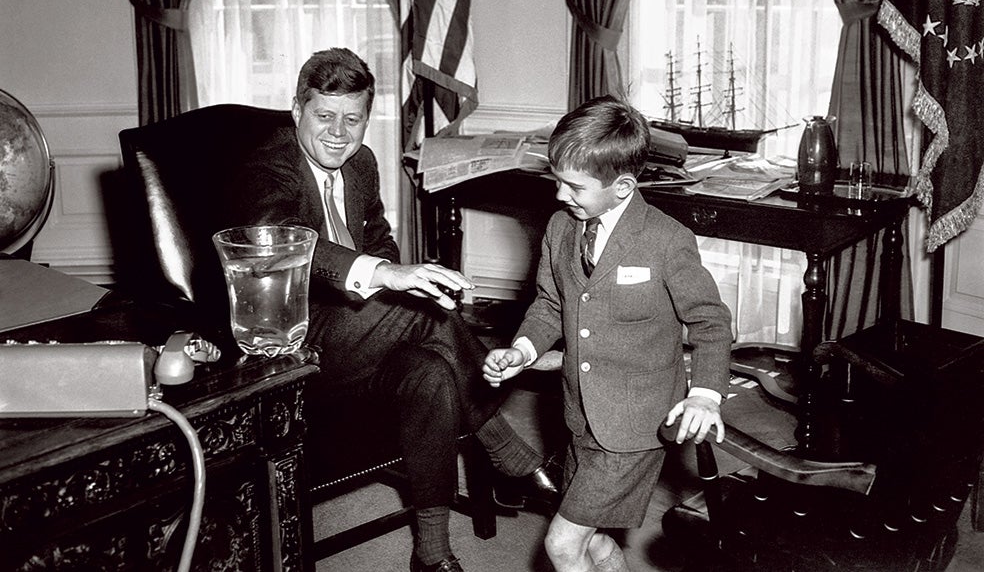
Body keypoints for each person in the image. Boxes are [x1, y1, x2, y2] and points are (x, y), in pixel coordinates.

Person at [224, 48, 557, 572]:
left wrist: (397, 276)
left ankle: (431, 552)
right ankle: (506, 448)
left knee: (432, 372)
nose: (339, 133)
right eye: (324, 116)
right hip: (290, 344)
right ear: (297, 111)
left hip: (363, 335)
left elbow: (377, 239)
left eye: (352, 119)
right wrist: (387, 278)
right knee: (425, 314)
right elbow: (288, 248)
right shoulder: (265, 167)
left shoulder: (360, 163)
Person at [482, 95, 733, 572]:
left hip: (636, 426)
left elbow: (711, 322)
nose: (560, 196)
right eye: (557, 181)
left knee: (562, 545)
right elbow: (550, 304)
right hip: (580, 416)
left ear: (623, 186)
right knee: (592, 542)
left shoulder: (665, 239)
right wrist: (522, 349)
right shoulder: (561, 228)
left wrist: (704, 396)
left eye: (574, 187)